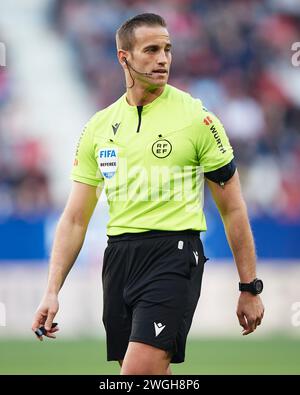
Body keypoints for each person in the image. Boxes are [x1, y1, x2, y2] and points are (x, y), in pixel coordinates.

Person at [32, 13, 264, 375]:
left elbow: (233, 209)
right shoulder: (98, 127)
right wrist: (52, 290)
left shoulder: (196, 118)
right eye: (152, 50)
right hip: (118, 260)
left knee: (136, 375)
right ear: (123, 57)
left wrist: (249, 286)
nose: (163, 59)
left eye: (168, 49)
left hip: (173, 256)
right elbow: (76, 218)